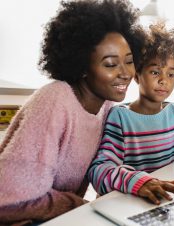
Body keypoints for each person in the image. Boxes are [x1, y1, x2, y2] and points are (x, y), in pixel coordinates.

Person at [0, 0, 145, 225]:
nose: (125, 74)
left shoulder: (106, 107)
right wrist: (78, 206)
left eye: (129, 61)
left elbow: (104, 168)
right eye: (110, 64)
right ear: (83, 67)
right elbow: (9, 200)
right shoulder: (55, 100)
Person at [88, 22, 174, 205]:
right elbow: (100, 171)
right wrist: (139, 181)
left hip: (159, 201)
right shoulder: (120, 117)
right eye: (155, 72)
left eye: (171, 74)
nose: (164, 80)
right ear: (137, 75)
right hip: (126, 201)